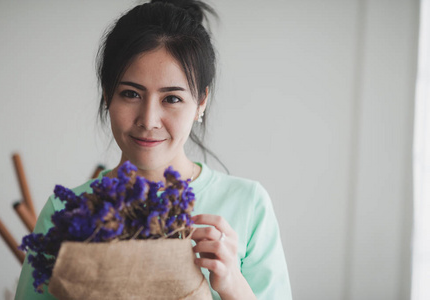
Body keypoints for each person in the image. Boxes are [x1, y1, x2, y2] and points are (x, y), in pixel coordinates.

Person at [15, 0, 292, 299]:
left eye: (171, 98)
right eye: (131, 94)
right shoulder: (66, 212)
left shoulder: (248, 205)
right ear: (108, 95)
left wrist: (233, 284)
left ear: (201, 102)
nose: (148, 121)